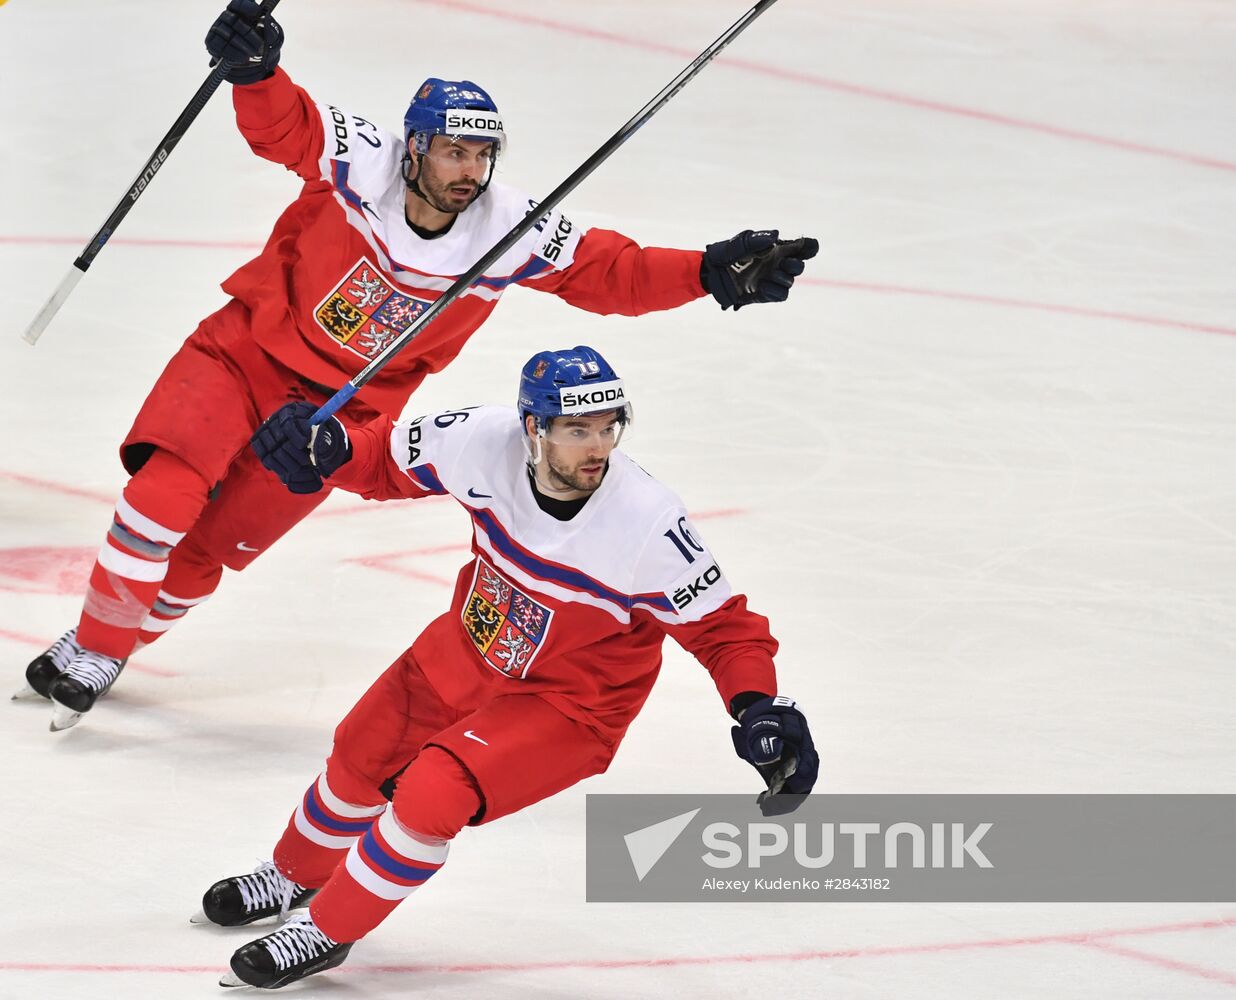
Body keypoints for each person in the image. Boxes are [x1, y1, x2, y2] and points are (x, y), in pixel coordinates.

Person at [15, 0, 818, 730]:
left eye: (482, 154)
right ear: (416, 146)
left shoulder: (508, 229)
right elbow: (285, 126)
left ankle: (110, 647)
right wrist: (256, 71)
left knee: (215, 548)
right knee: (163, 494)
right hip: (246, 353)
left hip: (342, 415)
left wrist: (707, 271)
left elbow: (610, 271)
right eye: (453, 151)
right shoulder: (362, 159)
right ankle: (94, 640)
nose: (469, 170)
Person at [194, 345, 818, 989]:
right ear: (533, 428)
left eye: (609, 428)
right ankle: (293, 875)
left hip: (571, 704)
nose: (597, 447)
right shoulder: (478, 440)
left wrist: (757, 706)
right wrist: (330, 450)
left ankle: (327, 931)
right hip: (471, 647)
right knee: (361, 749)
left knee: (433, 791)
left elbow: (723, 630)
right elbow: (380, 458)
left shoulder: (647, 524)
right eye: (578, 430)